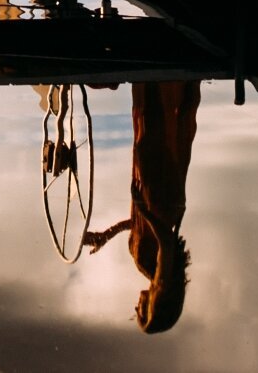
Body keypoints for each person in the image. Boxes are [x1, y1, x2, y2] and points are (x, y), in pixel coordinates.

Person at [85, 80, 199, 333]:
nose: (136, 307)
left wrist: (107, 234)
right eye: (141, 312)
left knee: (149, 128)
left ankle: (152, 80)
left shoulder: (151, 271)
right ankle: (155, 77)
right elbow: (166, 242)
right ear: (155, 306)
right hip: (159, 197)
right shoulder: (160, 278)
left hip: (157, 200)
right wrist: (144, 208)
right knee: (153, 126)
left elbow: (137, 226)